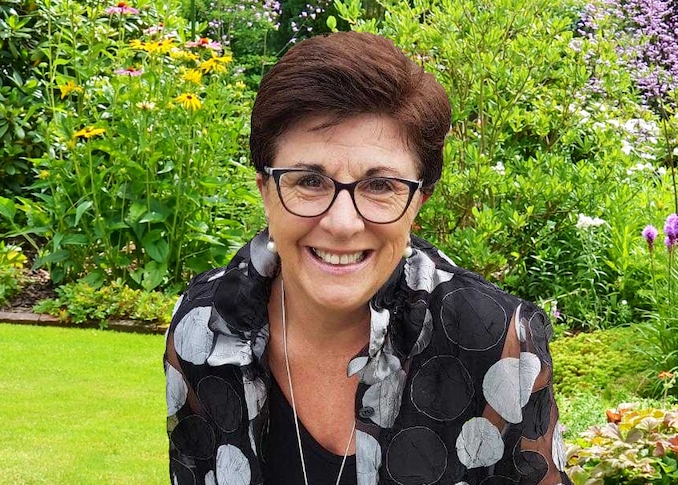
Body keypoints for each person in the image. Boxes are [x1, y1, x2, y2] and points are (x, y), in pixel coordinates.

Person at [164, 31, 571, 485]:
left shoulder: (497, 340)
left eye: (380, 186)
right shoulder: (205, 325)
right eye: (308, 181)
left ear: (419, 200)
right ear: (265, 188)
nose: (341, 223)